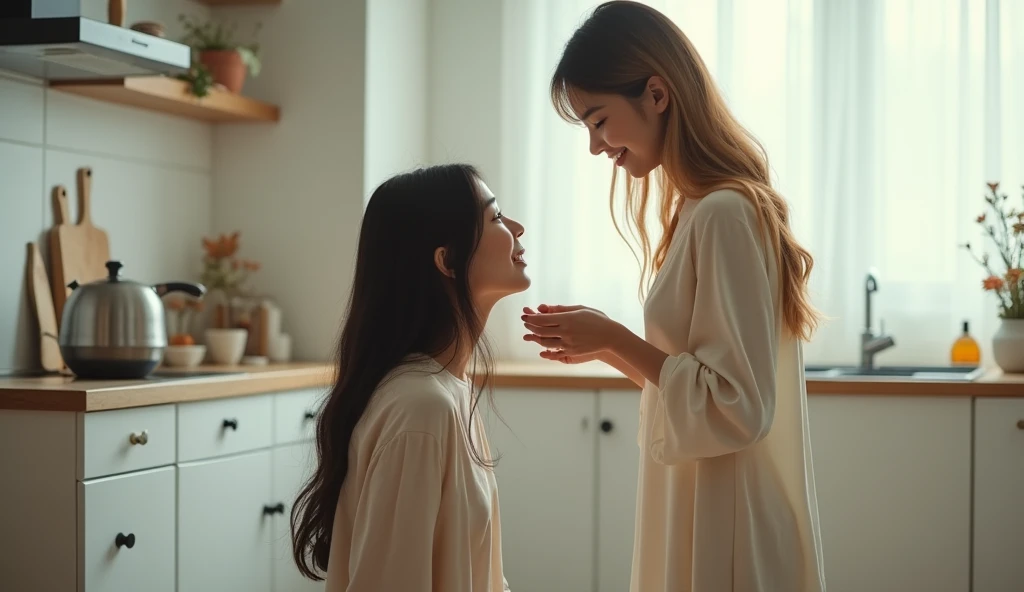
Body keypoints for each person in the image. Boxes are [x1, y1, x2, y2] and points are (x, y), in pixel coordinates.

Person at [521, 2, 827, 591]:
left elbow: (735, 406)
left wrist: (614, 337)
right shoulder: (697, 211)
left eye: (598, 120)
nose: (595, 147)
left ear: (657, 94)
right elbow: (694, 386)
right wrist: (605, 347)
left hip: (727, 515)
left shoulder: (724, 213)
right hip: (705, 500)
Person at [291, 164, 527, 592]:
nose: (518, 228)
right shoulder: (421, 407)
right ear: (448, 260)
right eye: (495, 218)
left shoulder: (449, 391)